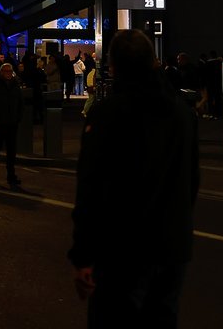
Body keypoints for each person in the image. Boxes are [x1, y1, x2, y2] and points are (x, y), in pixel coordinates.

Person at [69, 29, 199, 327]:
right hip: (171, 245)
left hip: (121, 247)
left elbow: (90, 187)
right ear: (153, 61)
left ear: (113, 67)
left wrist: (83, 254)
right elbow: (191, 179)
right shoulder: (180, 112)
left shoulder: (107, 113)